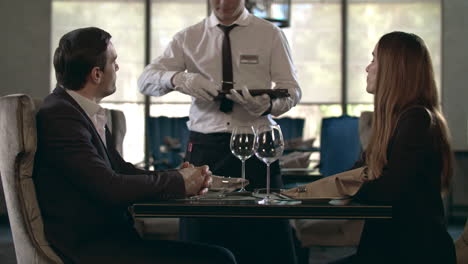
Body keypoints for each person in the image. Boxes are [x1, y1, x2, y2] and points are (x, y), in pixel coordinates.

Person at [33, 27, 237, 264]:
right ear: (97, 74)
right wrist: (180, 182)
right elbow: (109, 186)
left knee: (218, 254)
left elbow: (120, 170)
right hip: (91, 249)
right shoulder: (61, 116)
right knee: (219, 258)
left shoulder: (77, 110)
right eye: (114, 61)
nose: (117, 68)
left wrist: (179, 175)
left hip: (109, 239)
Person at [138, 0, 301, 263]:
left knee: (267, 239)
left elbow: (292, 90)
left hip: (259, 148)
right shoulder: (188, 37)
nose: (223, 2)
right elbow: (146, 80)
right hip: (205, 149)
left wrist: (269, 104)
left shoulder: (270, 33)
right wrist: (180, 79)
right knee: (203, 239)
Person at [335, 31, 456, 263]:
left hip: (413, 253)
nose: (367, 68)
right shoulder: (394, 119)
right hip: (389, 248)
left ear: (393, 69)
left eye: (374, 60)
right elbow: (356, 175)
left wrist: (351, 186)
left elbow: (388, 192)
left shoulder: (418, 120)